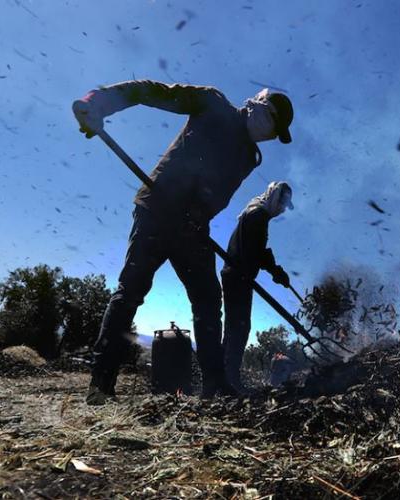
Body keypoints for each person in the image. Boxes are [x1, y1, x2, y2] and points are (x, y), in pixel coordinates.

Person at [71, 80, 294, 404]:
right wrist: (97, 103)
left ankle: (213, 386)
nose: (271, 135)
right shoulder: (212, 103)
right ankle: (100, 384)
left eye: (276, 133)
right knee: (131, 290)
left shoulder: (248, 156)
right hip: (158, 210)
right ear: (258, 106)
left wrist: (198, 216)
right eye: (273, 125)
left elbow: (217, 195)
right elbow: (153, 92)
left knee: (207, 301)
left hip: (192, 230)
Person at [221, 181, 294, 392]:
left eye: (285, 206)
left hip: (237, 275)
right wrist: (276, 271)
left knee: (235, 326)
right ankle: (229, 381)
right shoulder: (258, 215)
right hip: (237, 276)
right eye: (281, 203)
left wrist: (275, 271)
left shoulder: (256, 212)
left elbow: (257, 251)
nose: (281, 209)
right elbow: (257, 252)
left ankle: (224, 378)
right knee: (239, 327)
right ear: (273, 197)